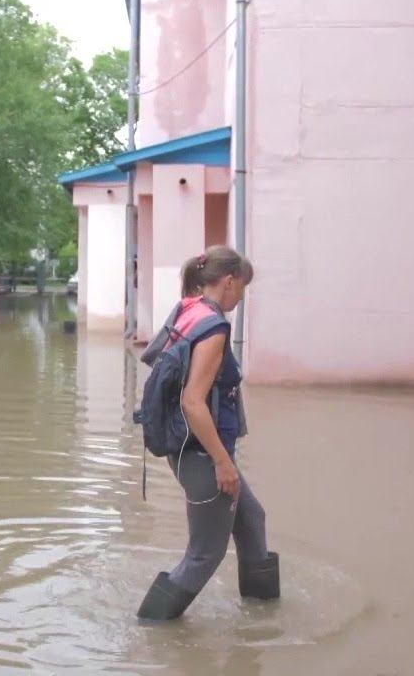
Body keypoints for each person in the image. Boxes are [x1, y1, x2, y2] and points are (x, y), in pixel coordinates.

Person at [136, 245, 279, 620]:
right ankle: (150, 626)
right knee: (205, 555)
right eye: (242, 288)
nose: (242, 297)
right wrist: (222, 462)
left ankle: (262, 616)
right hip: (200, 452)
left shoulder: (188, 309)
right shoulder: (214, 327)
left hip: (187, 446)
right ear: (229, 282)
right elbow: (193, 402)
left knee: (252, 520)